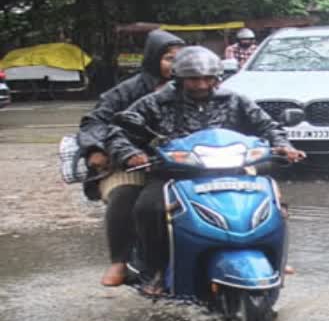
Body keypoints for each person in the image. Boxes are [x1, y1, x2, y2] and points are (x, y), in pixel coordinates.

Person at [104, 46, 306, 293]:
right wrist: (132, 154)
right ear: (179, 79)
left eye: (207, 78)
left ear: (217, 78)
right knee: (148, 208)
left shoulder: (235, 100)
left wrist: (283, 146)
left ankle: (274, 255)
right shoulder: (155, 102)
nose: (201, 84)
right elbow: (118, 132)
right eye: (194, 79)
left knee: (272, 201)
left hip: (231, 170)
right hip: (174, 175)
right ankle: (156, 270)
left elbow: (267, 126)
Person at [77, 29, 185, 286]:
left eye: (181, 59)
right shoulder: (128, 91)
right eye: (169, 58)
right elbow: (95, 122)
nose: (175, 65)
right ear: (152, 58)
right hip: (132, 160)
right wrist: (95, 149)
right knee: (125, 196)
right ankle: (120, 262)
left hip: (185, 160)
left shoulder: (195, 86)